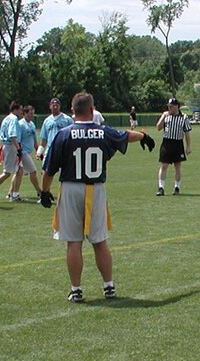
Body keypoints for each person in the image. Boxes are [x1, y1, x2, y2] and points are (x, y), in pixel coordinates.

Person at [40, 92, 156, 303]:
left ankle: (76, 290)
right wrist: (143, 135)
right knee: (100, 241)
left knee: (73, 242)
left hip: (70, 187)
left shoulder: (63, 134)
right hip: (96, 189)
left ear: (72, 110)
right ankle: (108, 286)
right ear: (92, 110)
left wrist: (45, 191)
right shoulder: (103, 131)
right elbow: (125, 135)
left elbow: (49, 170)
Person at [156, 98, 192, 196]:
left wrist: (188, 146)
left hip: (178, 143)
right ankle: (161, 188)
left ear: (177, 106)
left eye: (171, 106)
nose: (169, 107)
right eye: (168, 106)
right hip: (167, 142)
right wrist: (163, 116)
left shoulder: (184, 117)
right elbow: (158, 127)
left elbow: (187, 133)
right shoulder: (166, 116)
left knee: (177, 167)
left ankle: (177, 187)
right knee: (164, 166)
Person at [7, 105, 43, 201]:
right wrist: (19, 151)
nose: (32, 115)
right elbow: (17, 139)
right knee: (33, 171)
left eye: (33, 113)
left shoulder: (32, 124)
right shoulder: (20, 124)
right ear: (25, 113)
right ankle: (40, 192)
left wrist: (38, 151)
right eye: (31, 113)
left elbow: (34, 140)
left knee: (18, 172)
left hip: (27, 152)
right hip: (23, 152)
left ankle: (11, 193)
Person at [0, 100, 23, 199]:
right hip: (11, 146)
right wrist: (18, 147)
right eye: (20, 109)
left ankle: (15, 194)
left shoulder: (6, 118)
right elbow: (12, 135)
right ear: (16, 109)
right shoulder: (13, 119)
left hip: (6, 145)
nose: (21, 111)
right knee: (7, 172)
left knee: (19, 170)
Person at [37, 98, 75, 171]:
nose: (55, 107)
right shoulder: (47, 121)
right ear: (50, 106)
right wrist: (39, 152)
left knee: (64, 171)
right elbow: (44, 139)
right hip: (50, 147)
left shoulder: (67, 119)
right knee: (45, 171)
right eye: (53, 105)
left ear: (59, 106)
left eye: (57, 105)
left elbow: (72, 134)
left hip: (63, 148)